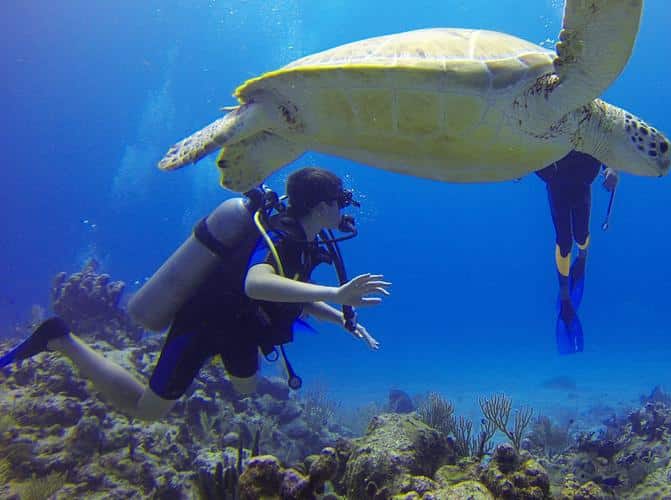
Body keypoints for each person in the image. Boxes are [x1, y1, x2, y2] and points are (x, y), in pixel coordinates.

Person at [0, 167, 390, 420]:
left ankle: (206, 368)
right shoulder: (283, 236)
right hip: (204, 323)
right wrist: (337, 292)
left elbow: (295, 293)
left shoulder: (305, 240)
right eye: (340, 202)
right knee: (147, 411)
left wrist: (340, 318)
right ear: (322, 206)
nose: (344, 210)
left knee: (247, 388)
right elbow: (256, 282)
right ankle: (59, 338)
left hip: (239, 327)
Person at [536, 151, 619, 354]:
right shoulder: (547, 120)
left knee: (581, 236)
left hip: (581, 181)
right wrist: (517, 165)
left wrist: (611, 169)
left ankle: (582, 256)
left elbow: (605, 138)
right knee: (564, 242)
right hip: (556, 181)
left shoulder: (591, 120)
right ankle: (564, 295)